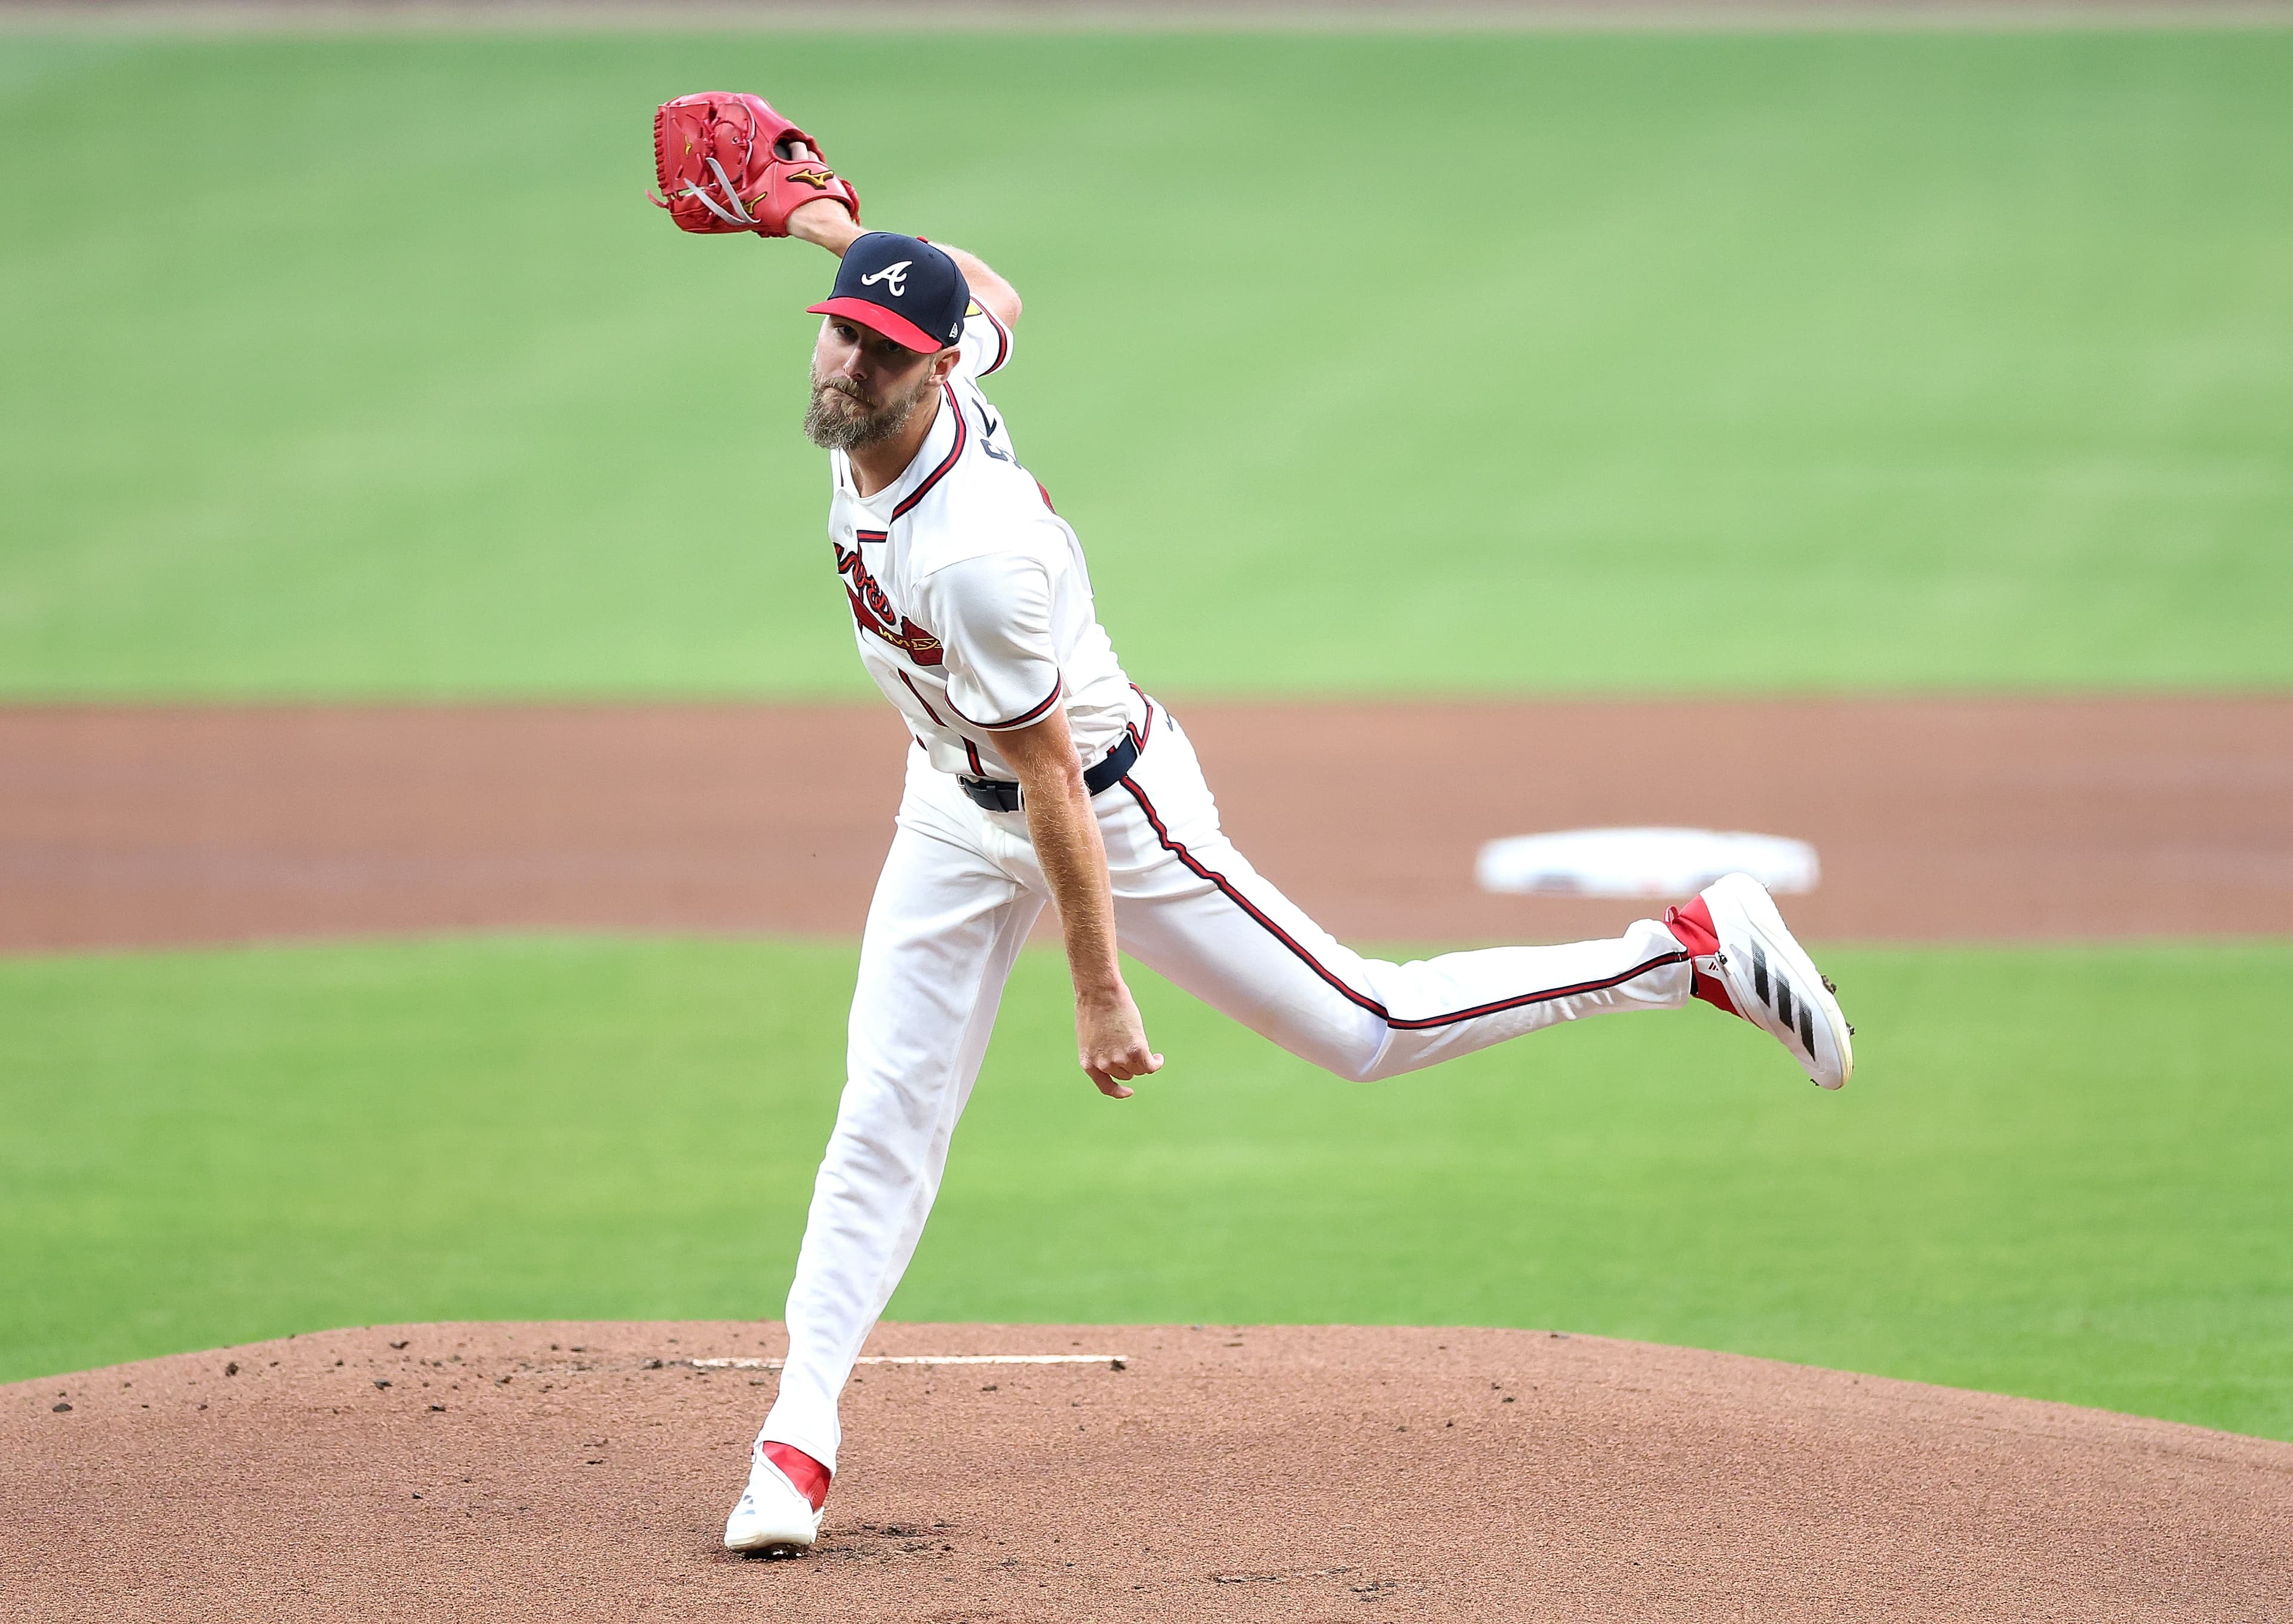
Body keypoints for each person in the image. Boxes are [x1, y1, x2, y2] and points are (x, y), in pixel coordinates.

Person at [723, 197, 1855, 1556]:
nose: (849, 364)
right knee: (885, 1114)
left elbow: (1052, 787)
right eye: (840, 333)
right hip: (946, 807)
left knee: (1366, 1027)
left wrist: (1098, 986)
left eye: (884, 348)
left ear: (939, 370)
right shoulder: (912, 384)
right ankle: (795, 1442)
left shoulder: (974, 555)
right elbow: (994, 293)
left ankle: (1686, 953)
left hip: (1110, 810)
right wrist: (828, 223)